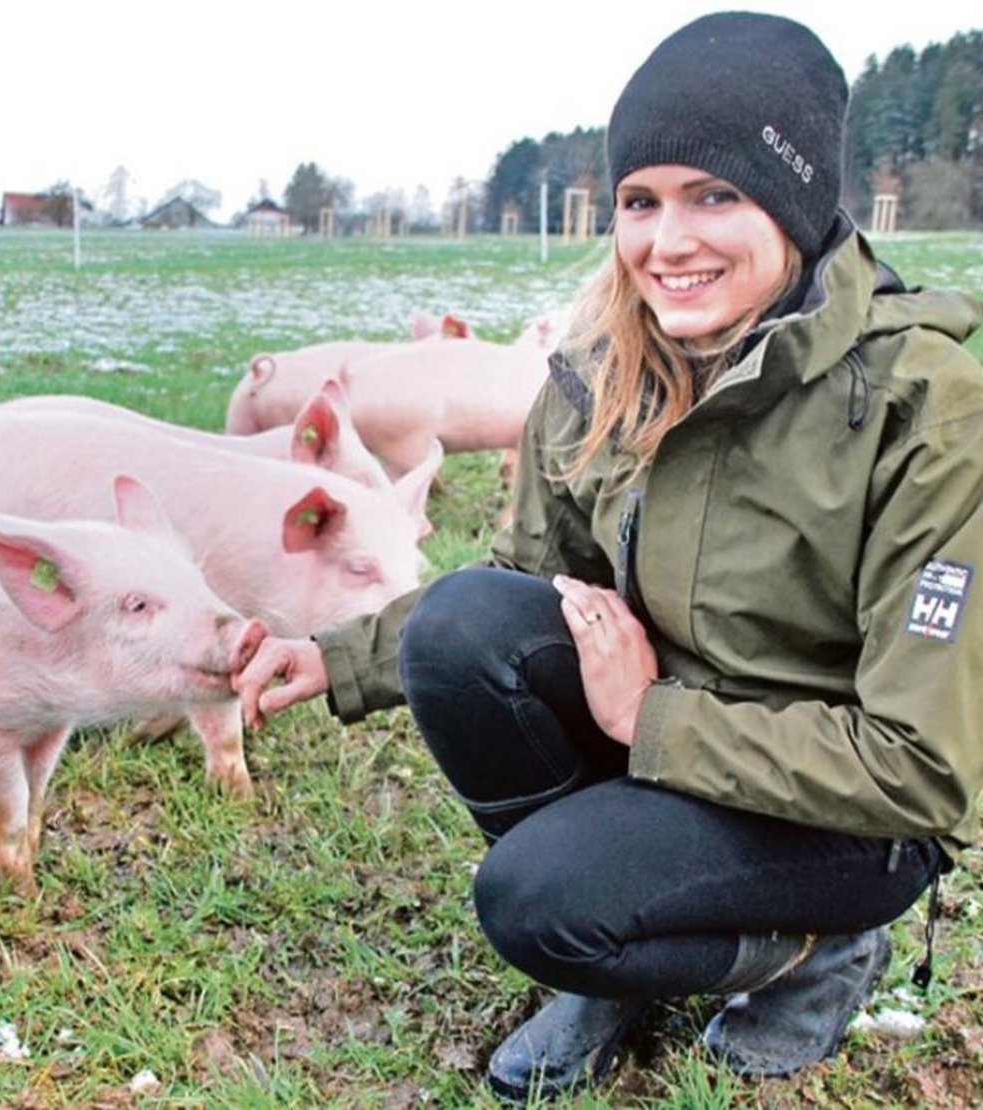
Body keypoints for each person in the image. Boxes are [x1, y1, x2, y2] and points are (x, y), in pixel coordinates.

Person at [231, 10, 983, 1102]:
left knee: (536, 900)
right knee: (460, 629)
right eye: (640, 201)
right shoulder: (602, 372)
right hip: (676, 750)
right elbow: (522, 590)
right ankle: (617, 960)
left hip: (845, 818)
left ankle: (811, 951)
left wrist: (650, 718)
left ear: (797, 200)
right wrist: (338, 656)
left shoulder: (926, 411)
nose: (666, 243)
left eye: (714, 196)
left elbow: (919, 768)